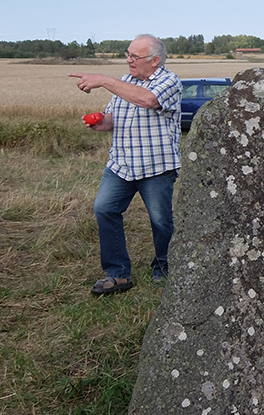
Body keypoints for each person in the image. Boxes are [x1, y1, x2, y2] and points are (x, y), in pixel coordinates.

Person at [69, 35, 182, 295]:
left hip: (156, 167)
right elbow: (114, 118)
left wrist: (105, 80)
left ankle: (164, 267)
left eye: (135, 56)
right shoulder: (125, 82)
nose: (129, 60)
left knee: (161, 221)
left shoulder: (168, 81)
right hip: (121, 165)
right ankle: (117, 274)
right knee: (104, 209)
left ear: (154, 61)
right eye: (128, 54)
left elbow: (148, 100)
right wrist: (101, 122)